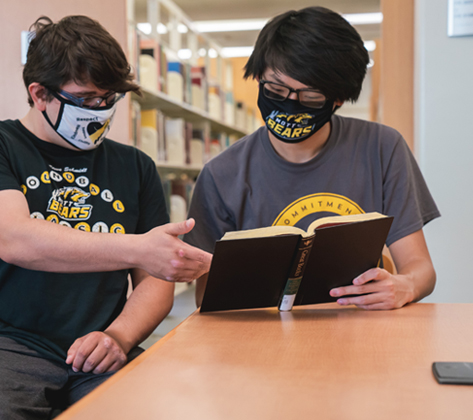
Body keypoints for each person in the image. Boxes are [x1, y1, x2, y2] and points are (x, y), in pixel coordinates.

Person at [0, 15, 212, 419]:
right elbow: (15, 239)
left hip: (96, 348)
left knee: (166, 406)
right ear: (39, 94)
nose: (101, 110)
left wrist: (118, 337)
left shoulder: (134, 166)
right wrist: (139, 248)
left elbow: (155, 279)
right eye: (88, 99)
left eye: (110, 98)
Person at [185, 6, 439, 310]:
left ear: (338, 99)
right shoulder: (221, 174)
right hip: (263, 338)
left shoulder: (382, 148)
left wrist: (404, 286)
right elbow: (206, 298)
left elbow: (420, 268)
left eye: (311, 98)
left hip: (361, 331)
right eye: (276, 90)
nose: (290, 104)